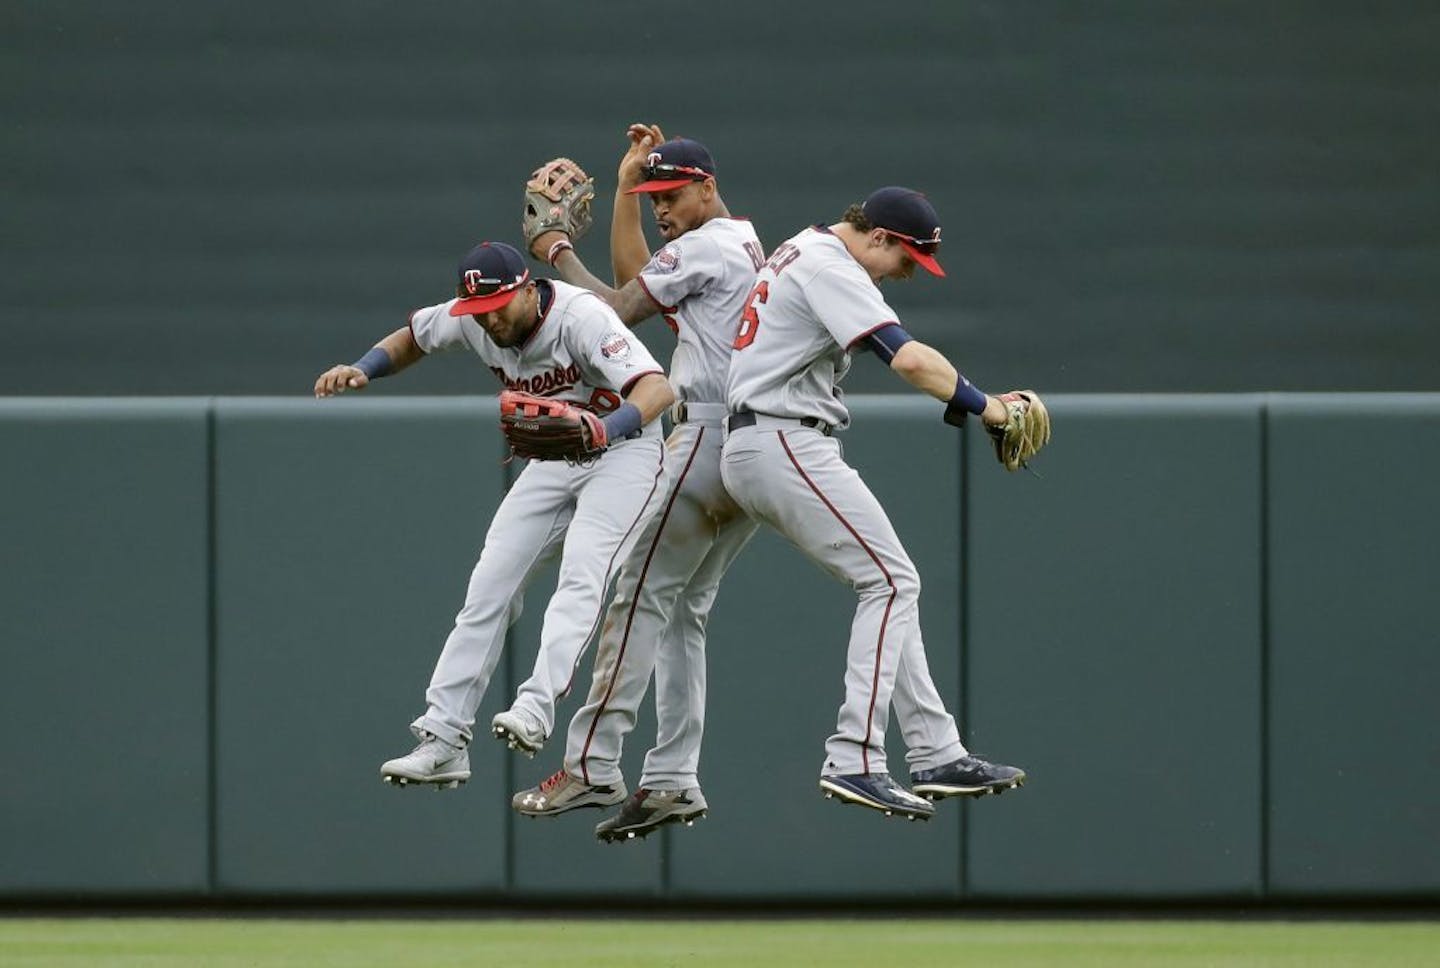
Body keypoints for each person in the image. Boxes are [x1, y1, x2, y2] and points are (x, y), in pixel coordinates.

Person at [314, 239, 676, 789]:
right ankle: (443, 737)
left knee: (582, 573)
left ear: (528, 290)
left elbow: (658, 388)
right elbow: (414, 336)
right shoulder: (473, 316)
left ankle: (535, 708)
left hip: (626, 451)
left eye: (498, 307)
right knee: (488, 589)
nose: (488, 320)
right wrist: (364, 368)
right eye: (477, 312)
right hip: (557, 459)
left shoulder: (580, 316)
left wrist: (606, 428)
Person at [719, 188, 1027, 820]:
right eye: (908, 257)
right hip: (782, 437)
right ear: (880, 237)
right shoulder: (832, 263)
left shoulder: (800, 247)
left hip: (768, 439)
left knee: (888, 584)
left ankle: (936, 750)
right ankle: (854, 757)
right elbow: (910, 360)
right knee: (892, 583)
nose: (910, 272)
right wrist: (989, 406)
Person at [508, 125, 765, 841]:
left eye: (670, 194)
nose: (661, 207)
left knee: (636, 599)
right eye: (653, 197)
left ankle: (591, 764)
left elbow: (614, 307)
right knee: (685, 612)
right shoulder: (741, 240)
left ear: (708, 185)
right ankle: (675, 775)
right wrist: (625, 189)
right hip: (746, 440)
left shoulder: (709, 244)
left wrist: (554, 253)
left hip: (705, 438)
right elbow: (637, 281)